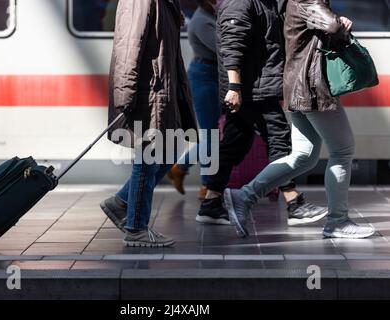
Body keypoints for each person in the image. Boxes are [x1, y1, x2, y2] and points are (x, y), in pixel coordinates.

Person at [223, 0, 375, 239]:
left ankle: (243, 196)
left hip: (297, 86)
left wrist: (335, 24)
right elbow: (333, 28)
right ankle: (337, 221)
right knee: (343, 151)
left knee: (303, 156)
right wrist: (340, 27)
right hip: (312, 88)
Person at [196, 0, 328, 230]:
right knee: (279, 140)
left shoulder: (263, 2)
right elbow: (232, 45)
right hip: (252, 90)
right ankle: (294, 203)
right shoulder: (240, 2)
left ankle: (211, 202)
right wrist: (234, 88)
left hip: (255, 88)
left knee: (233, 145)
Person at [100, 0, 198, 247]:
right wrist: (125, 93)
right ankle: (135, 228)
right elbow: (128, 45)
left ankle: (121, 202)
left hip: (162, 89)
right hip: (148, 91)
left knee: (168, 152)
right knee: (149, 156)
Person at [167, 0, 220, 200]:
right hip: (204, 76)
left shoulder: (211, 16)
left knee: (215, 134)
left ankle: (180, 168)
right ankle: (206, 185)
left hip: (215, 75)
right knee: (211, 135)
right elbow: (221, 49)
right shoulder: (201, 20)